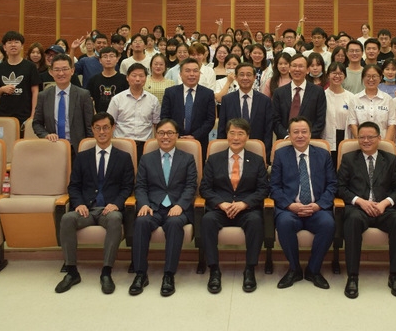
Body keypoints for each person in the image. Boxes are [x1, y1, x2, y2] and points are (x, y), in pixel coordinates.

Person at [55, 112, 135, 295]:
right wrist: (78, 204)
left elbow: (127, 187)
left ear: (113, 128)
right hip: (87, 210)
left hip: (109, 210)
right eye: (97, 128)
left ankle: (106, 272)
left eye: (106, 127)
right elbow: (74, 186)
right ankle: (72, 271)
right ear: (92, 130)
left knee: (115, 219)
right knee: (67, 218)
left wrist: (116, 204)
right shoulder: (82, 157)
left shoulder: (123, 157)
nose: (102, 132)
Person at [338, 122, 396, 299]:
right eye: (362, 137)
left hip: (383, 208)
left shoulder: (390, 159)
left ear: (379, 138)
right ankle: (352, 277)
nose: (366, 140)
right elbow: (340, 187)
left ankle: (395, 276)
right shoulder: (349, 158)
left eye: (370, 137)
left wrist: (385, 203)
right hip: (358, 209)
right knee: (352, 220)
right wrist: (360, 201)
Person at [200, 118, 270, 294]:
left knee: (256, 221)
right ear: (226, 135)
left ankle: (250, 269)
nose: (236, 138)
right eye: (232, 133)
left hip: (246, 209)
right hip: (220, 208)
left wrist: (244, 203)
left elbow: (263, 189)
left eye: (240, 134)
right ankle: (214, 270)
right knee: (207, 220)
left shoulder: (257, 160)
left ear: (247, 136)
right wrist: (221, 203)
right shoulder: (214, 159)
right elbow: (205, 188)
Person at [129, 119, 198, 297]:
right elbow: (140, 186)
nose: (165, 137)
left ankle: (168, 275)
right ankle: (140, 274)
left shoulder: (187, 159)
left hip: (177, 207)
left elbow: (191, 186)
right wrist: (144, 204)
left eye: (170, 133)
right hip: (152, 206)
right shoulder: (147, 159)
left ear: (177, 136)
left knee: (174, 224)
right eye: (161, 133)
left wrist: (180, 205)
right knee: (141, 221)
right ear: (156, 135)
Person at [270, 117, 337, 290]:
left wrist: (319, 205)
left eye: (304, 132)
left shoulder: (323, 155)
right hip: (290, 209)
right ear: (289, 135)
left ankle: (313, 270)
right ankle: (294, 269)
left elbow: (332, 184)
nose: (300, 136)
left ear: (310, 134)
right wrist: (290, 205)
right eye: (295, 132)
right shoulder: (281, 154)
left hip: (317, 208)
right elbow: (274, 187)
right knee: (284, 223)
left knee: (328, 224)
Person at [32, 54, 94, 159]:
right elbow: (37, 123)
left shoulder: (83, 95)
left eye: (65, 69)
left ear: (72, 71)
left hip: (78, 149)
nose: (61, 73)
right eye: (57, 70)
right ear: (51, 72)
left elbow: (90, 126)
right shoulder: (44, 96)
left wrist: (88, 149)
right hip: (53, 147)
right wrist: (46, 135)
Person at [159, 58, 216, 160]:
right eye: (187, 71)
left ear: (199, 74)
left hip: (199, 141)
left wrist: (195, 136)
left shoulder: (208, 94)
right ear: (180, 74)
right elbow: (165, 117)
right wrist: (175, 135)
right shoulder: (170, 92)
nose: (192, 74)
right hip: (174, 140)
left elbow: (210, 120)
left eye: (195, 71)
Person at [218, 62, 274, 157]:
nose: (245, 78)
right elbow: (222, 129)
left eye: (248, 75)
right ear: (236, 77)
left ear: (255, 77)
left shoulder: (264, 101)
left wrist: (265, 155)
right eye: (241, 75)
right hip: (233, 150)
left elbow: (268, 131)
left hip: (257, 150)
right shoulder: (227, 100)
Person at [107, 63, 160, 158]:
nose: (138, 79)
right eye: (134, 75)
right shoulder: (117, 99)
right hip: (121, 144)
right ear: (127, 77)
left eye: (141, 76)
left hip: (145, 145)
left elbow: (156, 125)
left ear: (146, 78)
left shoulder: (153, 100)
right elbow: (110, 123)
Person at [0, 31, 41, 134]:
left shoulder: (30, 67)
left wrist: (33, 115)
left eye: (16, 42)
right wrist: (2, 89)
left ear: (22, 46)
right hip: (4, 115)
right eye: (9, 42)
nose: (13, 45)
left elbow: (35, 91)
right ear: (4, 47)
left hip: (25, 115)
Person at [272, 53, 327, 139]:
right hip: (285, 140)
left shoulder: (318, 91)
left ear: (307, 70)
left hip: (309, 140)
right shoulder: (279, 92)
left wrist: (305, 137)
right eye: (294, 66)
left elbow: (320, 120)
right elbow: (275, 120)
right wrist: (286, 136)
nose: (297, 69)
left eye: (301, 66)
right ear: (289, 69)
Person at [348, 64, 396, 143]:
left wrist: (385, 144)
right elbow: (353, 124)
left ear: (380, 78)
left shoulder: (388, 99)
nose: (371, 79)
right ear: (363, 78)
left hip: (383, 143)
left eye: (374, 76)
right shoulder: (355, 99)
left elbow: (391, 125)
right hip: (361, 144)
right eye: (368, 76)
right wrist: (363, 141)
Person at [322, 62, 356, 168]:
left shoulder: (351, 97)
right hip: (327, 137)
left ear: (344, 76)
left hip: (345, 136)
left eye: (340, 73)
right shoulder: (322, 95)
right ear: (328, 75)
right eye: (334, 73)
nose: (337, 76)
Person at [86, 47, 127, 113]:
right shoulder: (93, 80)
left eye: (111, 56)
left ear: (117, 59)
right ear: (100, 60)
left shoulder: (124, 79)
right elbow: (89, 100)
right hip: (100, 116)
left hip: (120, 115)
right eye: (105, 57)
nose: (108, 59)